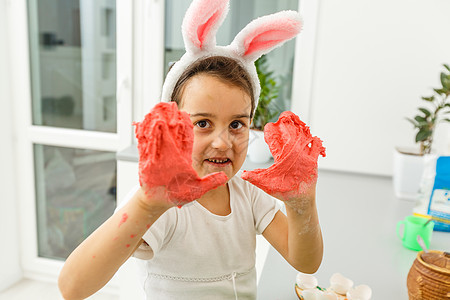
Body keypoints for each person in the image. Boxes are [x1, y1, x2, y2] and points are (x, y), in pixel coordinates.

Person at [58, 1, 325, 299]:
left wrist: (303, 204)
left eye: (236, 124)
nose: (223, 142)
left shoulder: (247, 195)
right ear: (174, 124)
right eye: (203, 123)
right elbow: (72, 287)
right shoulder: (162, 204)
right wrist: (146, 206)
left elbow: (305, 262)